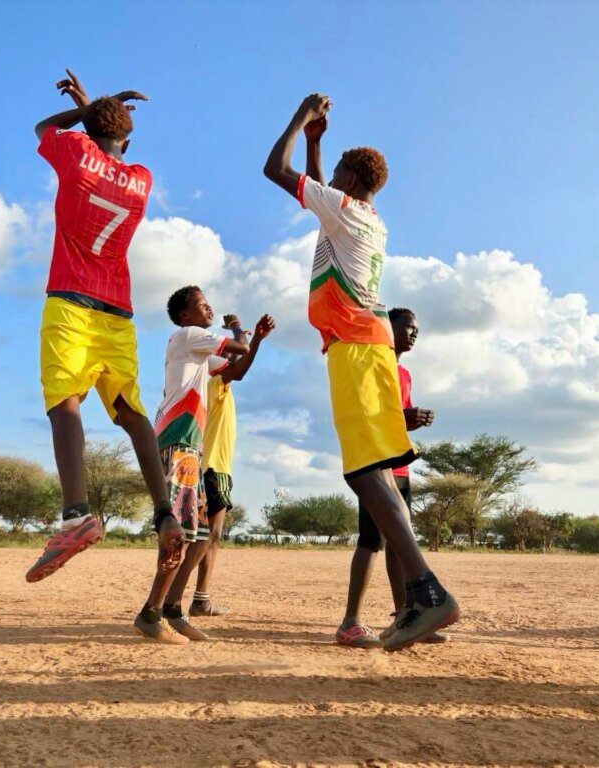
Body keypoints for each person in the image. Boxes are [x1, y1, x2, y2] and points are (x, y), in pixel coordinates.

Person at [263, 93, 459, 651]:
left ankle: (426, 590)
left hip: (353, 343)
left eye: (335, 172)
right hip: (365, 343)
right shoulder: (363, 217)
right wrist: (320, 144)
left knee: (365, 471)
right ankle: (417, 596)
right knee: (374, 471)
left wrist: (300, 118)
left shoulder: (345, 212)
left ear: (349, 180)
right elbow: (316, 186)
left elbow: (274, 169)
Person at [24, 69, 185, 584]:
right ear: (128, 139)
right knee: (130, 410)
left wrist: (84, 108)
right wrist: (98, 108)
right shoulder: (142, 180)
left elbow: (41, 128)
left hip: (70, 303)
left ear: (88, 133)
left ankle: (76, 513)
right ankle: (164, 511)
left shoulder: (75, 154)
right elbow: (105, 141)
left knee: (64, 402)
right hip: (117, 311)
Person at [134, 287, 275, 643]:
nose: (208, 306)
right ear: (185, 316)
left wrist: (256, 339)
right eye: (200, 304)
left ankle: (173, 610)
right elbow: (237, 348)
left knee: (195, 535)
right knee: (179, 532)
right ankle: (152, 613)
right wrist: (245, 333)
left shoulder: (199, 355)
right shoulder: (188, 336)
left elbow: (237, 371)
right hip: (177, 443)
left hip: (192, 449)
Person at [336, 307, 443, 648]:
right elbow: (368, 411)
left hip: (398, 466)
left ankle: (407, 616)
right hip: (373, 465)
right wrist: (401, 415)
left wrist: (411, 419)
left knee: (401, 541)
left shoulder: (404, 373)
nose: (414, 333)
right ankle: (350, 621)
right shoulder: (369, 363)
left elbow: (394, 420)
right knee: (371, 541)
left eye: (417, 329)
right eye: (408, 327)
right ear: (387, 328)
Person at [189, 313, 248, 619]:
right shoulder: (217, 380)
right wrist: (238, 330)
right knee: (208, 535)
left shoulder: (212, 382)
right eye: (225, 355)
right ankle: (189, 599)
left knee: (207, 535)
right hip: (214, 467)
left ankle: (200, 598)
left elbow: (239, 353)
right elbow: (242, 354)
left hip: (212, 466)